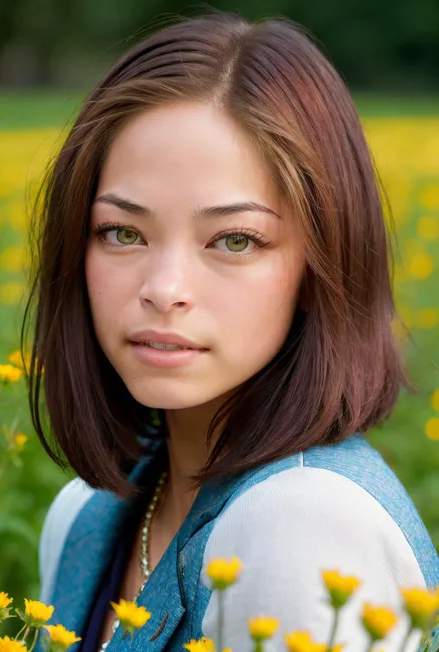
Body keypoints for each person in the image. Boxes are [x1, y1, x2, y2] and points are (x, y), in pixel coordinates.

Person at [23, 11, 439, 652]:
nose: (164, 289)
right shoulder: (84, 517)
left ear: (320, 266)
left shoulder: (302, 531)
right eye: (122, 232)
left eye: (235, 240)